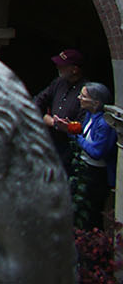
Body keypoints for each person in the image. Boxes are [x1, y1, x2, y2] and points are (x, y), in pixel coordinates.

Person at [71, 81, 117, 228]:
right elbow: (84, 136)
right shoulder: (90, 115)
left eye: (83, 96)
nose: (79, 98)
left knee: (93, 212)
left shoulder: (104, 124)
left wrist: (78, 137)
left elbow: (97, 152)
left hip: (98, 173)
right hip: (86, 167)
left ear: (96, 103)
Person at [36, 47, 88, 171]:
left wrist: (68, 127)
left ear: (74, 69)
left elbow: (84, 125)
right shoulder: (58, 83)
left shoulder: (86, 92)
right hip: (50, 141)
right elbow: (37, 102)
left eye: (63, 66)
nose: (58, 68)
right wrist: (52, 122)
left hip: (69, 147)